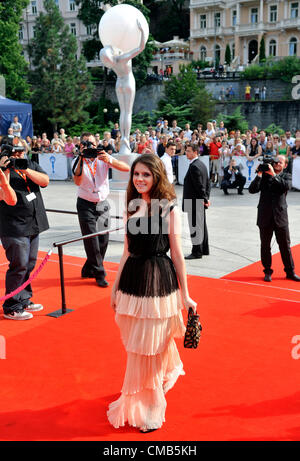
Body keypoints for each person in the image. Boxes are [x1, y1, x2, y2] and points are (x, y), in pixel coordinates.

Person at [108, 153, 197, 432]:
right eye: (136, 174)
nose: (140, 179)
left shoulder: (169, 208)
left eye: (146, 174)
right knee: (140, 345)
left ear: (157, 176)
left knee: (149, 347)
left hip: (159, 281)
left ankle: (149, 409)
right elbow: (125, 251)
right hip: (133, 283)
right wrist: (114, 286)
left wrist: (186, 295)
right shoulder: (131, 207)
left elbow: (179, 254)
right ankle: (161, 376)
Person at [72, 133, 130, 287]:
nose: (90, 146)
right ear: (81, 146)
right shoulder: (78, 161)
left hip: (102, 203)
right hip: (85, 204)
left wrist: (109, 159)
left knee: (103, 240)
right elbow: (77, 181)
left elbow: (126, 168)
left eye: (92, 143)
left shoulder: (103, 158)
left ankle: (88, 268)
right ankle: (99, 273)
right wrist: (82, 159)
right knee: (91, 240)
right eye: (86, 144)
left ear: (97, 143)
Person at [0, 143, 50, 320]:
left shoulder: (30, 164)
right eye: (16, 151)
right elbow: (6, 195)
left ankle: (24, 298)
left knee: (29, 263)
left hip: (33, 223)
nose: (19, 153)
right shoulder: (3, 167)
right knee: (18, 265)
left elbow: (45, 181)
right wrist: (6, 168)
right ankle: (11, 306)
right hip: (14, 226)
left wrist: (25, 169)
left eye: (22, 150)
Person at [249, 155, 300, 282]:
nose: (277, 164)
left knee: (285, 246)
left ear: (285, 165)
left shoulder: (286, 176)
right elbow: (252, 189)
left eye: (280, 162)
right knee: (265, 246)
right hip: (265, 216)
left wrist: (273, 174)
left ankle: (290, 271)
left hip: (280, 217)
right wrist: (259, 174)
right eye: (275, 162)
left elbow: (285, 187)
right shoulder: (264, 176)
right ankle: (267, 271)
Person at [100, 20, 146, 154]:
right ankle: (125, 137)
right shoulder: (123, 58)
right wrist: (142, 31)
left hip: (118, 83)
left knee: (122, 112)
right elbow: (141, 47)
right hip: (128, 82)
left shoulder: (113, 63)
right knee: (128, 112)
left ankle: (125, 137)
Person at [183, 142, 210, 259]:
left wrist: (205, 198)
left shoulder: (194, 166)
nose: (186, 153)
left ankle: (197, 252)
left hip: (194, 201)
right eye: (186, 151)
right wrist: (206, 198)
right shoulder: (202, 164)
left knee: (195, 227)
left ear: (195, 152)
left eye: (188, 151)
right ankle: (204, 249)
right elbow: (208, 184)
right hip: (199, 201)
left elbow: (199, 186)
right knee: (201, 225)